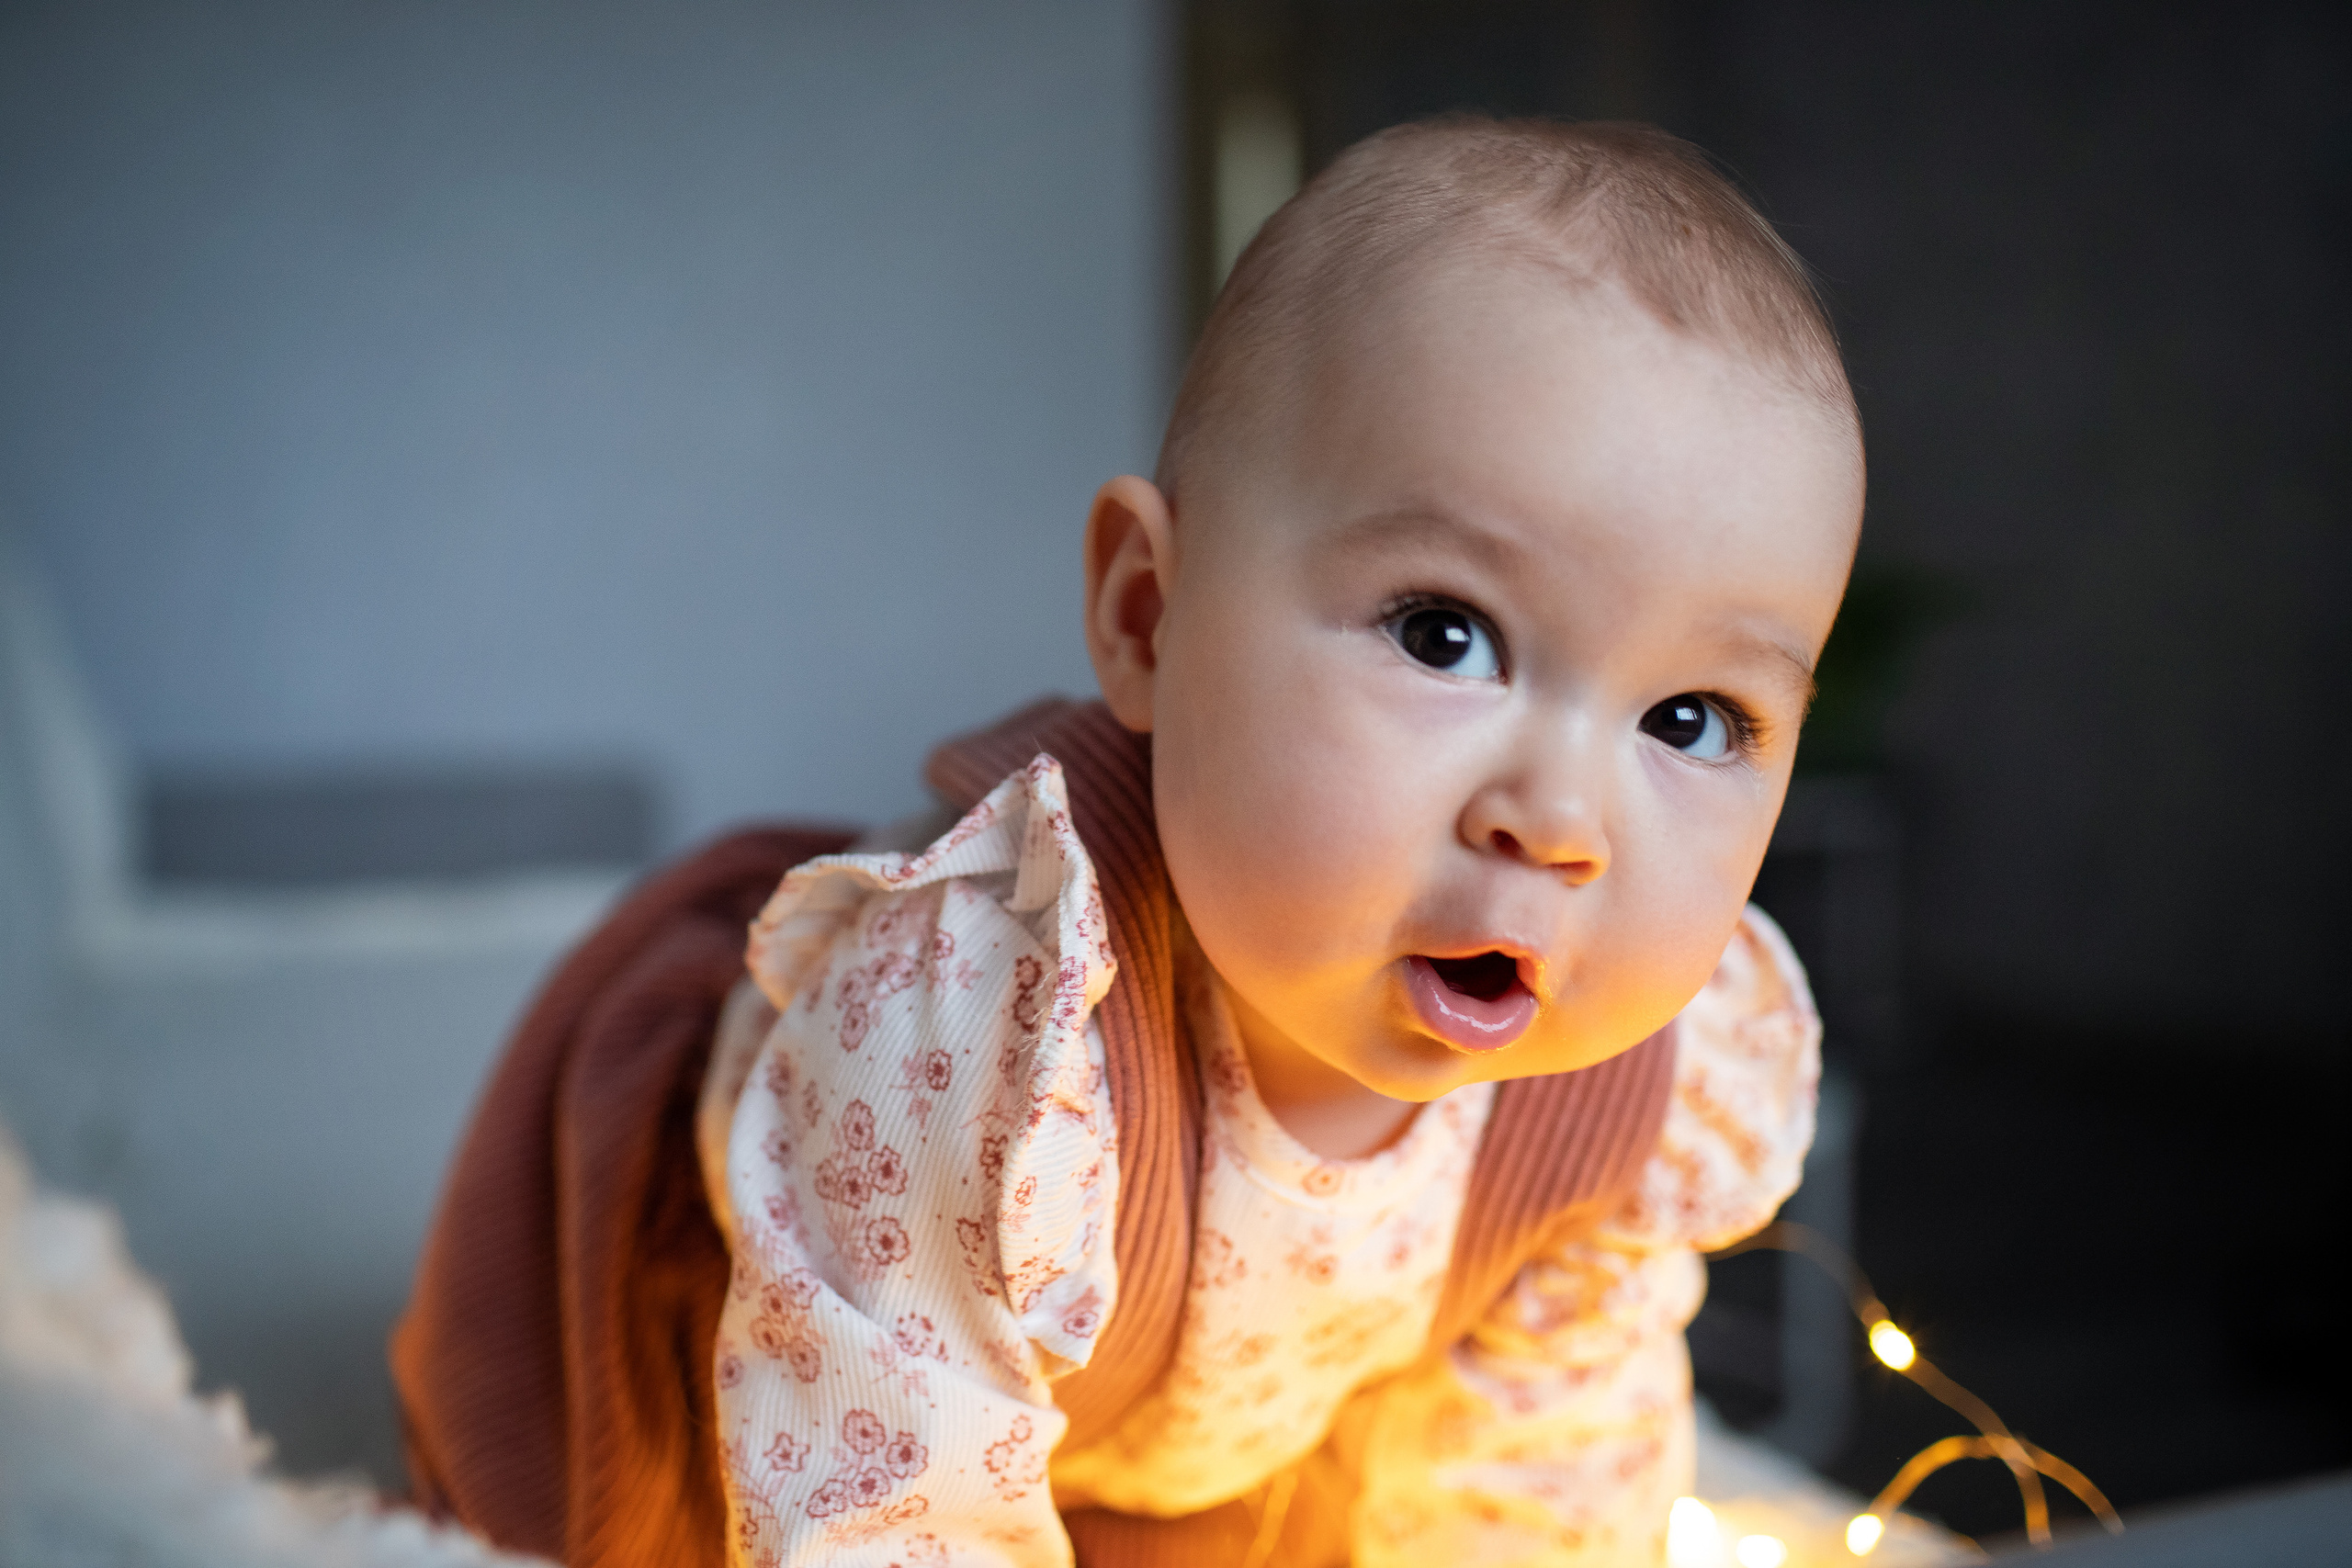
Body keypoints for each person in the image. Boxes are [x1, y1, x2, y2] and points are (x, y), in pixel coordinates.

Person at [394, 115, 1861, 1568]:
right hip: (790, 1322)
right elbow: (885, 1512)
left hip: (1156, 1415)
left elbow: (1542, 1487)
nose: (1558, 824)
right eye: (1445, 633)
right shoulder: (986, 1022)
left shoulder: (1628, 1088)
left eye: (1691, 721)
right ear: (1148, 618)